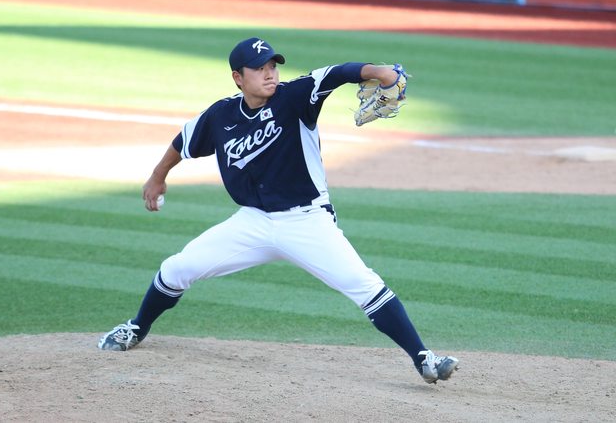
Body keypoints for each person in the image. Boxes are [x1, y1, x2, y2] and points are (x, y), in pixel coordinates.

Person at [98, 37, 459, 384]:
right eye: (259, 68)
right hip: (253, 222)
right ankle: (136, 328)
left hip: (307, 221)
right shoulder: (221, 115)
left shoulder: (295, 97)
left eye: (272, 66)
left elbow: (336, 73)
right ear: (238, 77)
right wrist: (157, 177)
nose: (269, 73)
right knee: (177, 268)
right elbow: (183, 142)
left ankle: (424, 359)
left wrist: (378, 71)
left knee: (365, 286)